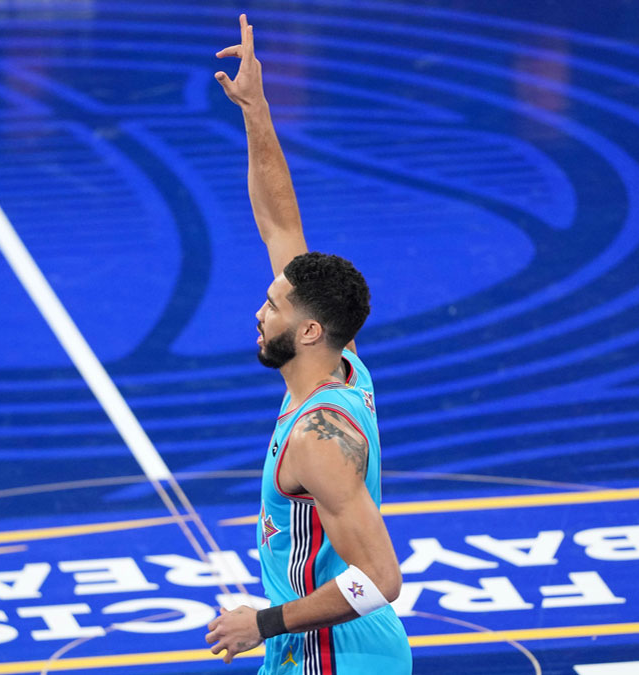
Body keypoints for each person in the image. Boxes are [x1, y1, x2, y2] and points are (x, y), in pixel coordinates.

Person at [204, 13, 413, 675]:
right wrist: (256, 111)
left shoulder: (318, 438)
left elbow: (380, 577)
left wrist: (260, 623)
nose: (260, 311)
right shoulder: (344, 365)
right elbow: (279, 219)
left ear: (311, 330)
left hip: (332, 663)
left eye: (274, 306)